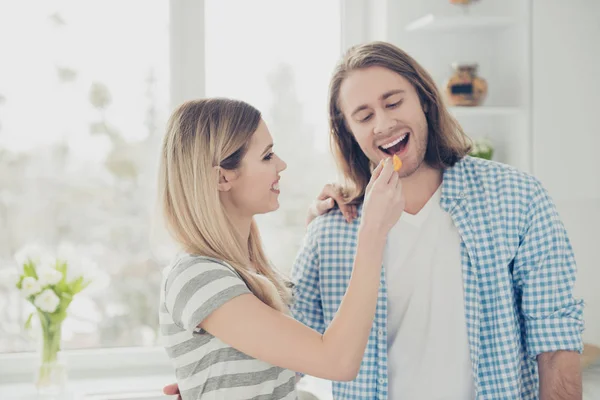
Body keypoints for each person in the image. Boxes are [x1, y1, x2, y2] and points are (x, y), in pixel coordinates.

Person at [164, 41, 584, 399]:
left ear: (424, 98)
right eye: (363, 116)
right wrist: (211, 382)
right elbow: (293, 352)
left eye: (393, 102)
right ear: (348, 132)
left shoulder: (516, 198)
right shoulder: (331, 231)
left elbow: (556, 341)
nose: (384, 124)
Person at [157, 97, 405, 399]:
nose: (281, 165)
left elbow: (288, 364)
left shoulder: (240, 273)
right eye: (267, 156)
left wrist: (316, 229)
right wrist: (372, 232)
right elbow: (337, 361)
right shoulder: (198, 277)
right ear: (223, 177)